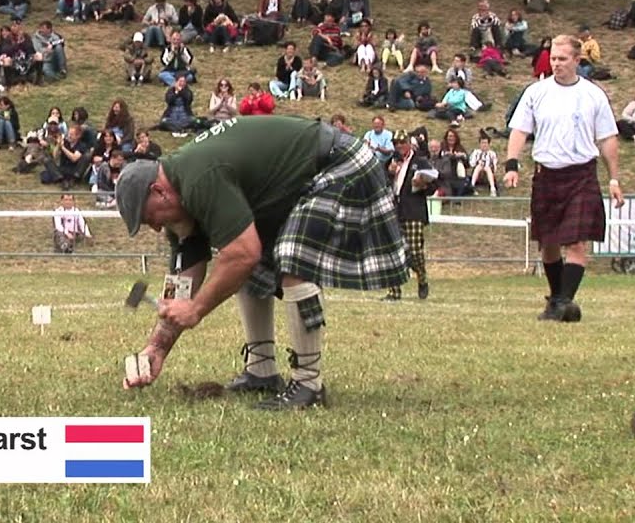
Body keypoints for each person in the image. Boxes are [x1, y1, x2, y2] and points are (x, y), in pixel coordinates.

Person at [115, 116, 409, 410]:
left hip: (340, 162)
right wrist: (158, 346)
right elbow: (185, 278)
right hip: (303, 176)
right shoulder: (180, 197)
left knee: (292, 258)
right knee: (248, 268)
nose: (153, 227)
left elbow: (243, 253)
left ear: (158, 191)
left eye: (147, 217)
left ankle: (309, 384)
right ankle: (262, 370)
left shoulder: (200, 177)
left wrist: (197, 309)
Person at [504, 34, 625, 323]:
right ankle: (558, 300)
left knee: (577, 243)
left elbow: (607, 138)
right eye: (553, 59)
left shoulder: (593, 94)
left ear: (577, 60)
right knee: (548, 243)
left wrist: (614, 179)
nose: (556, 64)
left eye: (562, 59)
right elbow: (520, 130)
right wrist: (512, 164)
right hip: (546, 174)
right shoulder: (536, 92)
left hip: (581, 173)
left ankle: (563, 301)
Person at [388, 133, 439, 300]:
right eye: (396, 143)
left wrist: (423, 184)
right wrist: (389, 173)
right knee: (393, 251)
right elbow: (382, 182)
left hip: (413, 211)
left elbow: (433, 185)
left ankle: (422, 278)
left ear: (409, 143)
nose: (399, 146)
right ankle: (394, 291)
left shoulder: (420, 161)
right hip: (395, 210)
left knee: (415, 250)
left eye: (402, 142)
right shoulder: (392, 161)